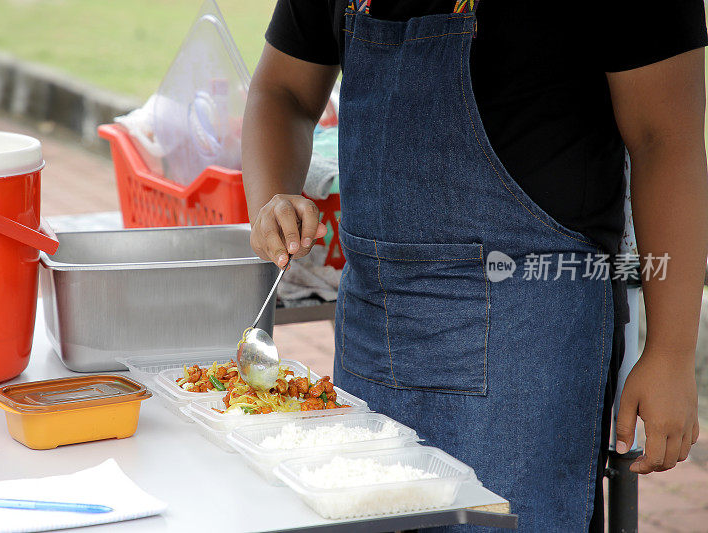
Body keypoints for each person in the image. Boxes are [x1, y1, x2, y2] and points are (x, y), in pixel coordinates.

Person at [241, 1, 708, 530]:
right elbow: (281, 91)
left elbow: (666, 140)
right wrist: (272, 197)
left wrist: (670, 350)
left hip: (530, 348)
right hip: (375, 330)